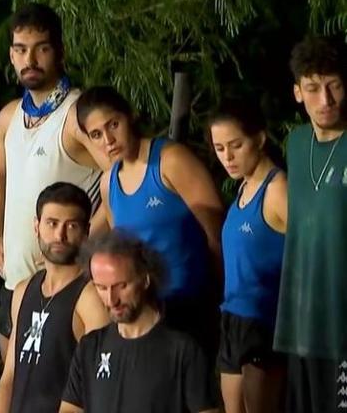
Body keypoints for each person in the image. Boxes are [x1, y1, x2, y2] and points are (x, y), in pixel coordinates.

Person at [0, 2, 110, 360]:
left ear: (60, 51)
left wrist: (85, 242)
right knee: (15, 381)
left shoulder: (77, 114)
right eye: (21, 50)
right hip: (15, 282)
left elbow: (122, 181)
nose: (30, 59)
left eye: (41, 48)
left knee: (65, 385)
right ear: (12, 55)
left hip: (66, 284)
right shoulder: (9, 116)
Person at [75, 85, 224, 357]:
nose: (108, 139)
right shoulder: (109, 183)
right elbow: (119, 255)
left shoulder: (170, 160)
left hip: (190, 307)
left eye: (113, 125)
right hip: (142, 314)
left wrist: (221, 298)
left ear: (130, 116)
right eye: (96, 134)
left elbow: (216, 232)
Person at [59, 230, 218, 413]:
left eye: (121, 286)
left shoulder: (183, 350)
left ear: (145, 279)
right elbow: (69, 409)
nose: (111, 300)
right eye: (101, 288)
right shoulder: (90, 347)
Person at [274, 35, 347, 413]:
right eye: (314, 88)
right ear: (298, 92)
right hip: (302, 319)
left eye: (334, 86)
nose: (326, 100)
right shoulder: (298, 143)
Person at [0, 182, 110, 412]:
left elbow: (100, 383)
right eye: (52, 223)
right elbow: (9, 376)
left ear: (86, 232)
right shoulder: (22, 291)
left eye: (71, 225)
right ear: (36, 226)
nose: (60, 235)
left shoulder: (91, 297)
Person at [208, 99, 287, 413]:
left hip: (264, 321)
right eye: (219, 148)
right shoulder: (243, 187)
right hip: (233, 317)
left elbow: (311, 253)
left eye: (236, 145)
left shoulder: (277, 189)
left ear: (259, 139)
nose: (227, 157)